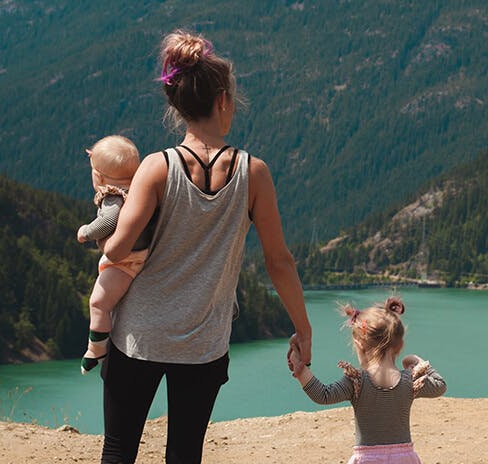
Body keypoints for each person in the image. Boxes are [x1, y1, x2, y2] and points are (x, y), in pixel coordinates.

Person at [98, 29, 313, 463]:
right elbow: (279, 261)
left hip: (139, 336)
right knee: (185, 454)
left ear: (178, 106)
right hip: (204, 344)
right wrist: (303, 329)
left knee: (119, 450)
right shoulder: (255, 174)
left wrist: (105, 204)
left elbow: (116, 250)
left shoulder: (157, 168)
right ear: (223, 102)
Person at [290, 296, 447, 464]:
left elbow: (323, 395)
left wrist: (300, 368)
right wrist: (418, 362)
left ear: (359, 344)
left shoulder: (357, 381)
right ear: (399, 345)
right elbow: (440, 385)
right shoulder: (409, 381)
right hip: (404, 460)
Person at [75, 135, 148, 374]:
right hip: (145, 254)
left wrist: (86, 232)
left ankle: (95, 349)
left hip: (126, 262)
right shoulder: (140, 190)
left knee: (98, 303)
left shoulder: (113, 197)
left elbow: (108, 222)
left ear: (98, 176)